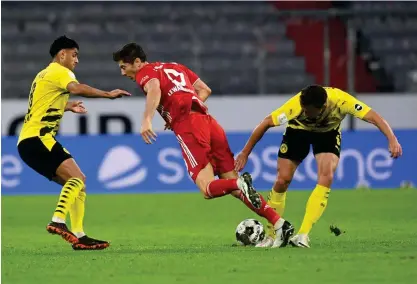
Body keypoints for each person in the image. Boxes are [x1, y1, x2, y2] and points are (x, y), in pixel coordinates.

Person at [112, 43, 294, 248]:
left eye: (123, 66)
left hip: (190, 127)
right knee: (234, 187)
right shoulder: (175, 66)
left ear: (137, 62)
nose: (122, 72)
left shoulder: (144, 73)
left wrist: (147, 120)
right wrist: (179, 110)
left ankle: (240, 184)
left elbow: (154, 88)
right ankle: (280, 224)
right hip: (208, 122)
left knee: (208, 189)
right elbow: (204, 90)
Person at [235, 85, 402, 248]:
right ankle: (272, 235)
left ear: (322, 108)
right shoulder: (295, 106)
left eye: (308, 111)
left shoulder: (341, 101)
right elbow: (265, 123)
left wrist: (392, 139)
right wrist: (245, 153)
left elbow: (373, 116)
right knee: (282, 180)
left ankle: (303, 235)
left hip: (327, 134)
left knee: (327, 175)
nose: (304, 112)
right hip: (297, 132)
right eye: (304, 109)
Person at [17, 36, 131, 250]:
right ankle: (58, 221)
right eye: (74, 55)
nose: (77, 60)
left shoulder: (43, 74)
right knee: (77, 178)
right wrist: (108, 94)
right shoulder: (60, 71)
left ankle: (79, 235)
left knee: (77, 183)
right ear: (62, 54)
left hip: (29, 142)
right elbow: (77, 88)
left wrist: (66, 106)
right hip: (39, 139)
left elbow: (44, 103)